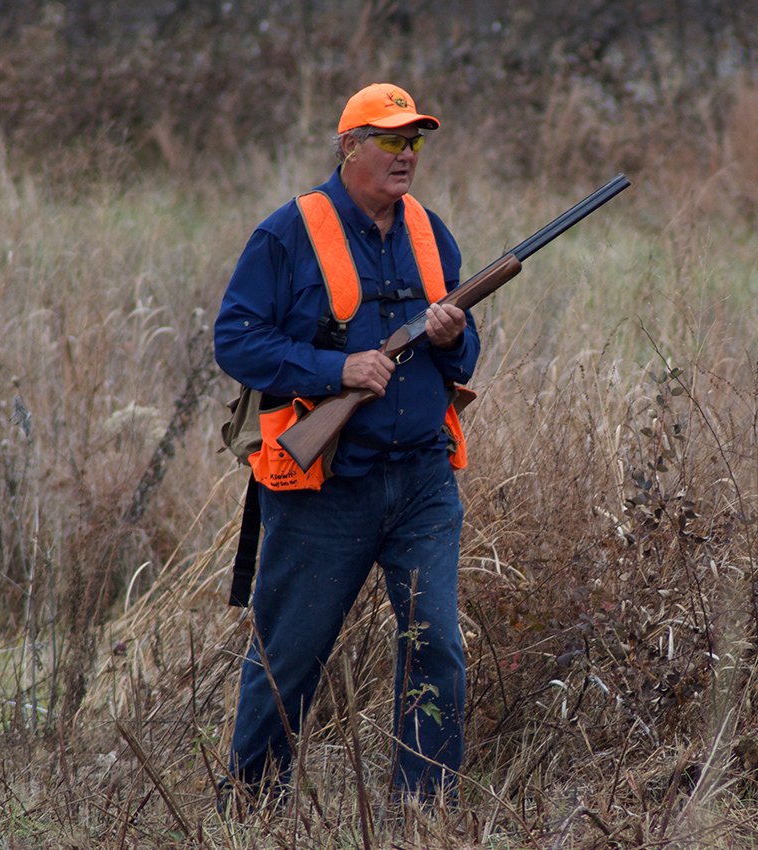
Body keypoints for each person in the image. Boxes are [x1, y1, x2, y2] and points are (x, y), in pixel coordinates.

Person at [213, 83, 478, 806]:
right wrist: (337, 369)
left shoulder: (431, 233)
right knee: (289, 657)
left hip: (423, 480)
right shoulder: (287, 235)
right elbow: (235, 340)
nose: (407, 154)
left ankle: (423, 810)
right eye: (391, 139)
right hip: (326, 489)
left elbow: (465, 362)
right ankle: (251, 807)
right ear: (349, 146)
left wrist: (456, 338)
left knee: (436, 647)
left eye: (415, 140)